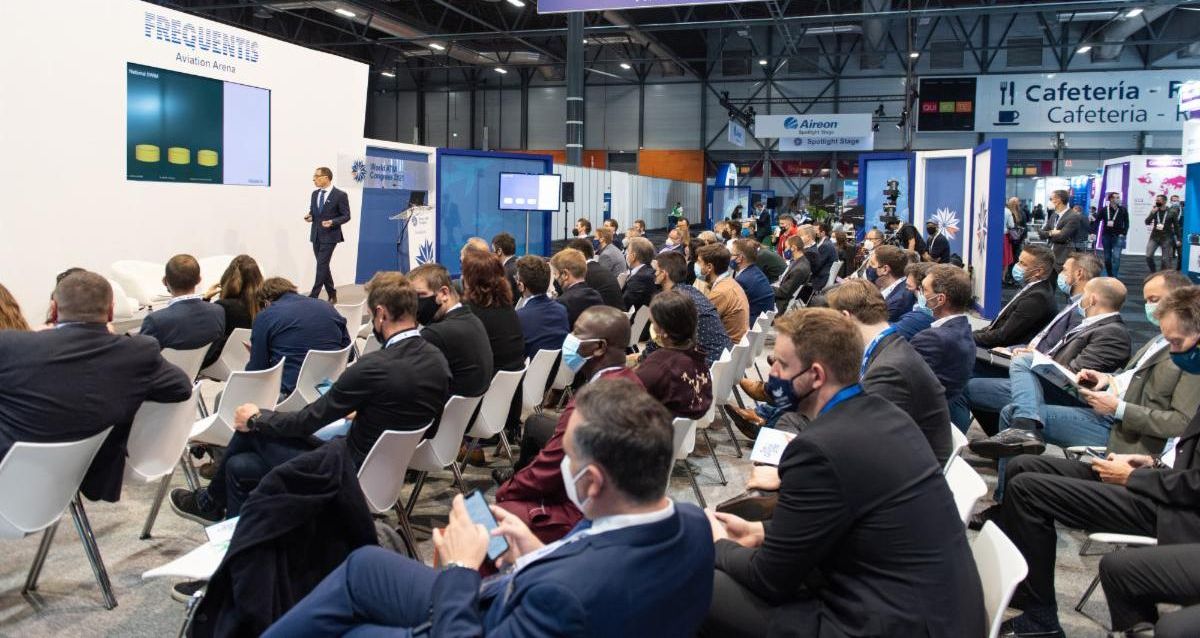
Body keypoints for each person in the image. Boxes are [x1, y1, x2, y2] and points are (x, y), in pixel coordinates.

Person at [268, 377, 714, 638]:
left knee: (351, 631)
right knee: (363, 565)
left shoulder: (565, 596)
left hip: (483, 616)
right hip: (521, 590)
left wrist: (461, 568)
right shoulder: (694, 525)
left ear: (592, 481)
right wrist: (535, 552)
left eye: (567, 457)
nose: (562, 466)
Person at [702, 308, 986, 637]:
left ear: (816, 375)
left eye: (780, 364)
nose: (772, 373)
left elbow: (769, 580)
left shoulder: (817, 450)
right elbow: (849, 517)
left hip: (888, 623)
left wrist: (719, 544)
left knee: (694, 580)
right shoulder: (888, 415)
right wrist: (762, 532)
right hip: (939, 612)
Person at [983, 285, 1200, 637]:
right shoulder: (1165, 349)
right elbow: (1183, 453)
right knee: (1024, 467)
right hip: (1152, 473)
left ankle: (1040, 618)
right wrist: (1150, 464)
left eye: (1177, 342)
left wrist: (1136, 477)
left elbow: (1188, 468)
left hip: (1169, 506)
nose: (1173, 350)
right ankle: (1028, 587)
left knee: (1027, 490)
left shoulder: (1187, 370)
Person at [170, 271, 451, 523]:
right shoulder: (437, 359)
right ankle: (230, 534)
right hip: (384, 475)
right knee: (239, 466)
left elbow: (307, 421)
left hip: (343, 473)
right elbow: (430, 427)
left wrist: (257, 418)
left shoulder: (373, 368)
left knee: (251, 430)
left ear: (380, 314)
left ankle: (209, 504)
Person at [0, 271, 192, 502]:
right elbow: (182, 387)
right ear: (110, 311)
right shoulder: (138, 352)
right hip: (87, 474)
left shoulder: (12, 346)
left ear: (53, 309)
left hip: (13, 479)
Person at [971, 270, 1198, 465]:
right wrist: (1107, 379)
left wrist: (1118, 408)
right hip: (1105, 405)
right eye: (1147, 300)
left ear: (1180, 299)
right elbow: (1134, 377)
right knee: (1011, 403)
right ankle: (1023, 430)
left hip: (1122, 429)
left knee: (1018, 373)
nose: (1150, 307)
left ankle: (1024, 427)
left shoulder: (1186, 354)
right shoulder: (1158, 340)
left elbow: (1181, 423)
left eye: (1154, 299)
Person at [495, 306, 641, 538]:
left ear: (599, 347)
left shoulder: (589, 403)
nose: (569, 339)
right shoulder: (631, 378)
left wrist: (507, 491)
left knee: (499, 513)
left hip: (588, 510)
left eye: (577, 333)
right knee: (536, 423)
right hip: (616, 490)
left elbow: (551, 467)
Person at [966, 277, 1133, 460]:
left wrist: (1037, 359)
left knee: (1020, 365)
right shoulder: (1089, 324)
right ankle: (1009, 434)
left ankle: (1024, 425)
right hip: (1043, 382)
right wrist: (1031, 355)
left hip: (1064, 394)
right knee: (967, 383)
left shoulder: (1113, 333)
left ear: (1092, 299)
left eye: (1084, 295)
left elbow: (1077, 375)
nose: (1080, 300)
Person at [826, 279, 954, 464]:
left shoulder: (889, 369)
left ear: (845, 317)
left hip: (908, 470)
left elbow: (858, 436)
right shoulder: (889, 347)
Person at [248, 277, 351, 397]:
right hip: (331, 391)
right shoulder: (328, 307)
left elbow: (257, 370)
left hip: (293, 396)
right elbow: (350, 354)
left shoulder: (265, 316)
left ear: (266, 303)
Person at [409, 263, 493, 399]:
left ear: (444, 293)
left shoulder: (435, 334)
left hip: (443, 410)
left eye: (420, 295)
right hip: (470, 410)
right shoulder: (473, 320)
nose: (414, 304)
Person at [910, 265, 975, 426]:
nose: (920, 294)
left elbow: (902, 381)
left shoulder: (932, 339)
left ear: (940, 299)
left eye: (924, 290)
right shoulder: (964, 328)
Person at [635, 290, 713, 420]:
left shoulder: (660, 366)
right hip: (676, 429)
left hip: (653, 428)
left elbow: (628, 398)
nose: (652, 327)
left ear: (664, 331)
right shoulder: (699, 358)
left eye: (653, 322)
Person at [647, 252, 732, 367]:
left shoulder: (672, 302)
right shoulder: (692, 291)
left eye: (655, 270)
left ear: (663, 274)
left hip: (706, 365)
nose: (652, 273)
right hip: (724, 360)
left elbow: (654, 348)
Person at [973, 244, 1058, 348]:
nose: (1017, 266)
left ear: (1038, 272)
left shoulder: (1037, 298)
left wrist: (968, 337)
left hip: (1007, 350)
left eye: (1023, 264)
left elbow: (1003, 336)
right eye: (1018, 261)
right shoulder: (1034, 288)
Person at [139, 254, 226, 352]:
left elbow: (141, 357)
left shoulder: (155, 321)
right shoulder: (218, 311)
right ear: (199, 280)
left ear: (164, 281)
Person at [461, 250, 525, 375]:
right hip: (515, 380)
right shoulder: (507, 306)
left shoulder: (469, 313)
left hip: (490, 381)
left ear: (469, 279)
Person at [201, 255, 263, 368]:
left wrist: (205, 299)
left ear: (228, 278)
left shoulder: (222, 307)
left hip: (219, 365)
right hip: (253, 364)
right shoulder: (265, 307)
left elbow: (201, 330)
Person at [305, 166, 351, 303]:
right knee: (323, 265)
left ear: (326, 178)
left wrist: (332, 222)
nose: (314, 179)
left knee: (321, 265)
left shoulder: (340, 195)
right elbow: (314, 213)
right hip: (316, 235)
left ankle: (314, 296)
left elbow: (346, 216)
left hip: (331, 236)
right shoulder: (314, 194)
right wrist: (310, 217)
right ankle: (332, 293)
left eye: (316, 176)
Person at [514, 256, 570, 359]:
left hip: (529, 367)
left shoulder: (519, 317)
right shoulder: (561, 310)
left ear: (521, 286)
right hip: (557, 367)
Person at [697, 243, 750, 344]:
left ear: (709, 267)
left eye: (699, 262)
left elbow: (699, 322)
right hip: (735, 344)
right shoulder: (730, 283)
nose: (697, 265)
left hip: (727, 347)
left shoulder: (721, 292)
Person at [552, 248, 605, 327]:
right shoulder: (596, 295)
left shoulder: (562, 303)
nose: (555, 278)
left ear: (565, 274)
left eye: (555, 274)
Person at [567, 238, 624, 310]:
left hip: (605, 314)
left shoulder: (585, 274)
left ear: (580, 255)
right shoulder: (600, 269)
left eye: (569, 256)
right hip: (615, 313)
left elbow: (574, 301)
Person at [866, 244, 915, 323]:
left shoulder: (897, 302)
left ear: (885, 269)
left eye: (872, 264)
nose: (868, 267)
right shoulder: (884, 287)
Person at [731, 239, 774, 324]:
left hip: (751, 324)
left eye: (731, 254)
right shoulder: (756, 271)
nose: (729, 257)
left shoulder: (742, 281)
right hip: (761, 321)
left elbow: (732, 310)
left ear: (739, 258)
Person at [890, 262, 935, 340]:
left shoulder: (920, 318)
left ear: (922, 290)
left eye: (909, 286)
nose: (906, 289)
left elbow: (886, 333)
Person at [1042, 189, 1080, 270]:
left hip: (1063, 256)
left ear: (1058, 200)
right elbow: (1042, 234)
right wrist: (1052, 232)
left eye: (1051, 199)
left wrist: (1049, 234)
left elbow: (1062, 237)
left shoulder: (1073, 216)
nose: (1050, 201)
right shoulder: (1054, 215)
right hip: (1050, 254)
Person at [773, 235, 812, 313]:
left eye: (787, 247)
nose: (785, 250)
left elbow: (784, 292)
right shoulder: (800, 261)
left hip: (781, 303)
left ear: (793, 248)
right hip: (782, 291)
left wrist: (767, 288)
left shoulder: (799, 269)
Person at [1147, 194, 1181, 272]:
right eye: (1156, 200)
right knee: (1148, 256)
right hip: (1154, 237)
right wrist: (1152, 213)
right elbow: (1147, 222)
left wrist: (1178, 239)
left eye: (1159, 200)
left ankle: (1162, 274)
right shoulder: (1155, 211)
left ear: (1164, 201)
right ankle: (1153, 272)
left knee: (1165, 260)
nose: (1157, 202)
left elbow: (1176, 226)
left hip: (1167, 238)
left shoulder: (1172, 212)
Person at [1098, 192, 1129, 277]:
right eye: (1117, 197)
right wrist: (1092, 232)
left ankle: (1114, 277)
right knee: (1107, 258)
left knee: (1116, 257)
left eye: (1119, 197)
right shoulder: (1104, 210)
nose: (1119, 199)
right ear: (1111, 199)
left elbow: (1126, 222)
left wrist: (1124, 233)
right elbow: (1097, 220)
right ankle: (1110, 274)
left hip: (1118, 236)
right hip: (1106, 236)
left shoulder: (1123, 210)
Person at [623, 236, 658, 311]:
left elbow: (624, 304)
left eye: (628, 251)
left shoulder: (640, 278)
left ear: (633, 256)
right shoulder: (647, 270)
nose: (626, 254)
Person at [490, 232, 519, 304]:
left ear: (499, 251)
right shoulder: (521, 265)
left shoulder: (504, 273)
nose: (491, 255)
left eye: (492, 251)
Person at [1004, 197, 1027, 285]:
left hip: (1010, 239)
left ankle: (1009, 277)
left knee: (1010, 259)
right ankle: (1012, 277)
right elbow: (1024, 227)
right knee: (1014, 259)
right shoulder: (1018, 213)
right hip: (1016, 239)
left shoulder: (1007, 212)